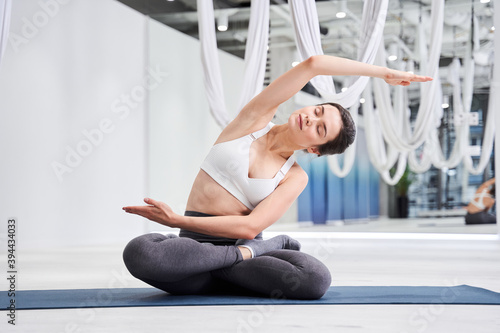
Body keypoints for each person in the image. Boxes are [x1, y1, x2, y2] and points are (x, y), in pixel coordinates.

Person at [122, 55, 432, 299]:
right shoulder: (253, 120)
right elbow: (314, 64)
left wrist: (177, 221)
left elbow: (250, 226)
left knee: (316, 279)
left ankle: (241, 258)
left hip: (230, 252)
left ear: (315, 149)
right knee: (140, 254)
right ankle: (250, 257)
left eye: (319, 129)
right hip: (197, 252)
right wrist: (382, 73)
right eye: (319, 110)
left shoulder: (294, 177)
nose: (311, 118)